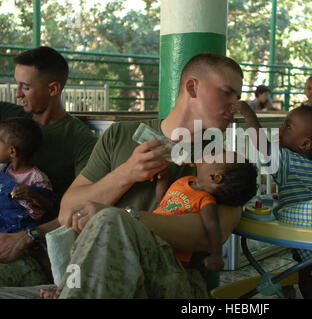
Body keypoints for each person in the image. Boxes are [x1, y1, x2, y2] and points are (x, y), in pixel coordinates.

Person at [26, 52, 246, 299]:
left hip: (171, 282)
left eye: (238, 97)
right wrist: (126, 174)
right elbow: (68, 212)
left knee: (110, 220)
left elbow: (211, 236)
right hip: (96, 279)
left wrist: (126, 218)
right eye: (227, 93)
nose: (235, 106)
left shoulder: (223, 163)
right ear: (192, 88)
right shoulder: (120, 135)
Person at [0, 46, 97, 288]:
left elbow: (87, 207)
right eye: (17, 84)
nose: (18, 94)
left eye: (26, 87)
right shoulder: (12, 118)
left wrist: (29, 237)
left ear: (53, 88)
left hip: (34, 247)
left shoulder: (79, 138)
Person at [233, 102, 312, 299]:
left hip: (309, 237)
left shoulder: (286, 158)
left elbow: (261, 143)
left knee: (306, 282)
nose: (279, 130)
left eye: (287, 126)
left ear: (305, 144)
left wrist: (247, 113)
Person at [154, 151, 257, 271]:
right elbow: (162, 200)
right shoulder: (186, 180)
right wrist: (164, 178)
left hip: (173, 257)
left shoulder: (206, 200)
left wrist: (216, 256)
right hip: (154, 238)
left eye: (214, 156)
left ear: (215, 177)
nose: (210, 152)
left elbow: (212, 226)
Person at [0, 118, 56, 233]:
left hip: (21, 229)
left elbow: (49, 205)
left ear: (12, 151)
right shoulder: (4, 169)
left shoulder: (37, 177)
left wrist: (32, 194)